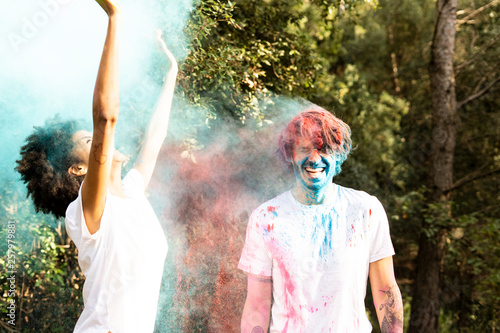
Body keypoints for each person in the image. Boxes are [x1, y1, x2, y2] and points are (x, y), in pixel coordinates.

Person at [15, 0, 178, 331]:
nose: (104, 142)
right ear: (79, 169)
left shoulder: (132, 192)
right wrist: (115, 18)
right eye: (91, 143)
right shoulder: (88, 211)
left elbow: (154, 140)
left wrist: (172, 71)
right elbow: (105, 116)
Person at [238, 108, 403, 332]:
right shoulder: (265, 219)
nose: (314, 159)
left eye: (324, 149)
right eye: (304, 149)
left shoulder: (365, 210)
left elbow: (385, 292)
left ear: (338, 156)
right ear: (291, 155)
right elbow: (257, 307)